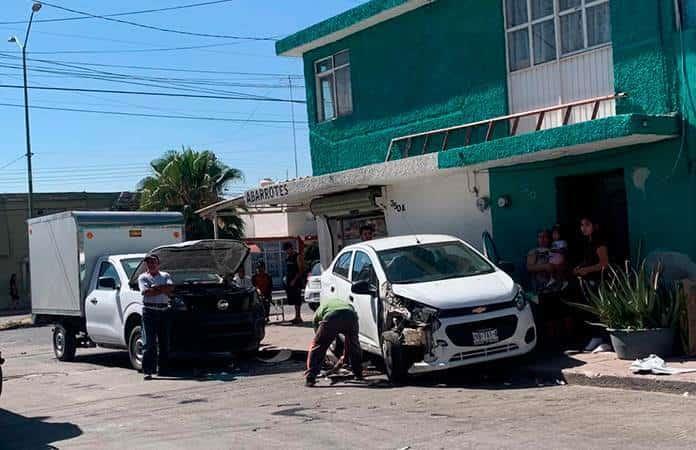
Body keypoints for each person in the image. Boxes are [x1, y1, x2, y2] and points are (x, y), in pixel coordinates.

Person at [305, 297, 363, 387]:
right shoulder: (343, 303)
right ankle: (358, 373)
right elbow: (348, 343)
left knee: (318, 346)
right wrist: (344, 359)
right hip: (351, 315)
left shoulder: (317, 313)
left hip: (332, 316)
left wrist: (324, 345)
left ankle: (310, 378)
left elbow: (318, 341)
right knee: (354, 345)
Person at [573, 216, 610, 352]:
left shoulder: (599, 242)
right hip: (589, 283)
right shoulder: (587, 243)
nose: (584, 228)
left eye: (587, 224)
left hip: (599, 283)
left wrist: (586, 270)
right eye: (582, 225)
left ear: (594, 225)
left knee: (600, 311)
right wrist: (579, 268)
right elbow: (589, 261)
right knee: (591, 311)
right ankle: (596, 337)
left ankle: (604, 340)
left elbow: (604, 264)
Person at [138, 255, 174, 380]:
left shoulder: (165, 275)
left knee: (164, 342)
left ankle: (163, 369)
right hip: (149, 311)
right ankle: (148, 370)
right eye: (149, 263)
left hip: (164, 310)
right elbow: (146, 292)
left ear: (158, 264)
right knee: (149, 343)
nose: (151, 265)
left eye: (153, 262)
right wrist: (162, 289)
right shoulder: (143, 277)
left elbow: (170, 289)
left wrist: (155, 288)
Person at [283, 242, 305, 325]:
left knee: (297, 299)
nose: (286, 252)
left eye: (287, 250)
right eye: (285, 251)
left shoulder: (297, 256)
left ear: (291, 248)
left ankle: (299, 317)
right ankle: (296, 317)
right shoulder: (288, 257)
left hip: (296, 281)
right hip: (289, 281)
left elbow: (300, 270)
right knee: (293, 299)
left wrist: (294, 280)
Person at [547, 224, 569, 289]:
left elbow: (563, 251)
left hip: (559, 260)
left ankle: (563, 282)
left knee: (560, 272)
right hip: (553, 260)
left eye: (556, 234)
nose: (554, 236)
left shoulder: (563, 242)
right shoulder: (552, 242)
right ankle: (552, 279)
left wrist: (555, 250)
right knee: (551, 269)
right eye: (553, 234)